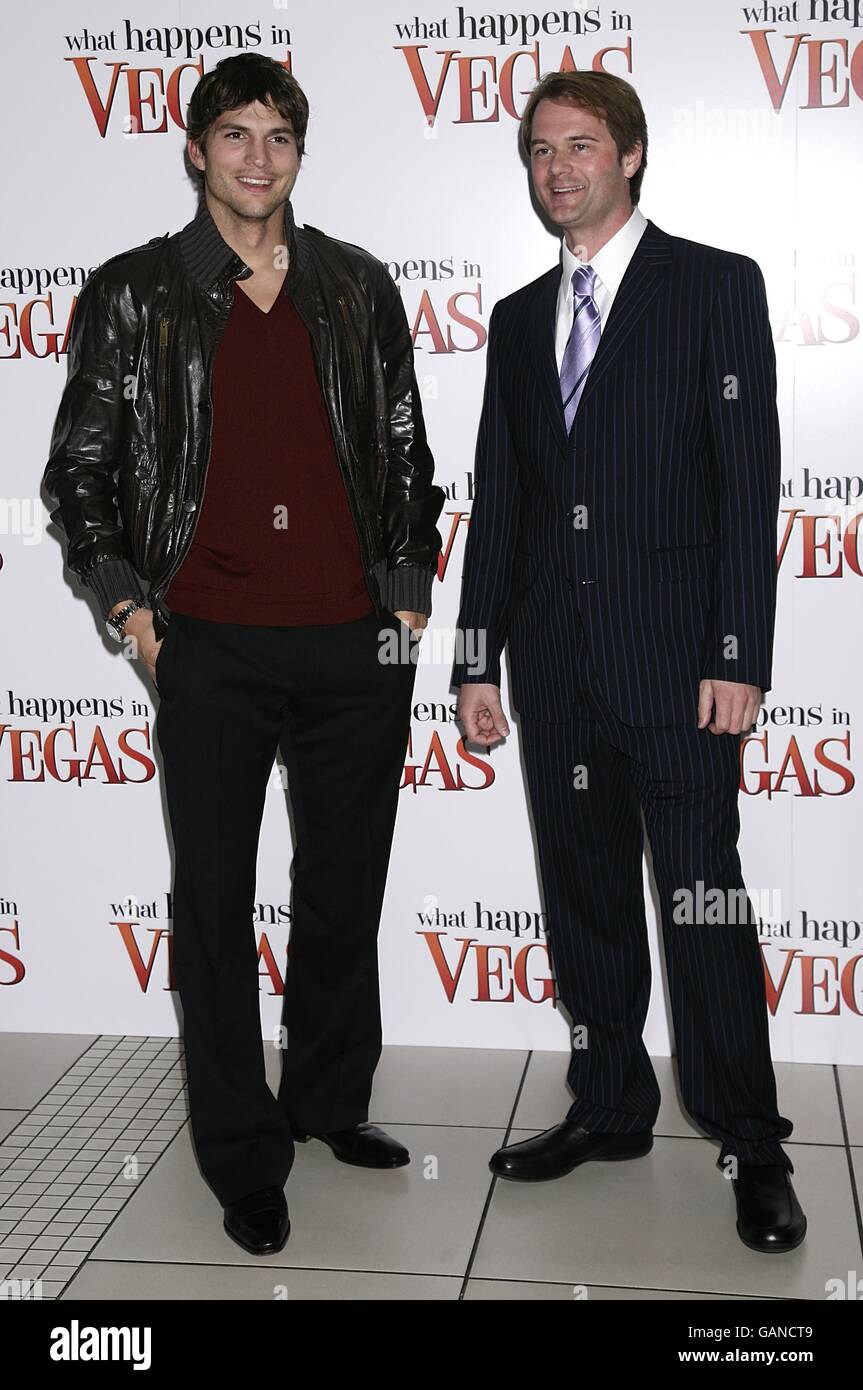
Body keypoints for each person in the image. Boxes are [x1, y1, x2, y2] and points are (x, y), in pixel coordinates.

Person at [43, 53, 444, 1256]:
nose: (257, 157)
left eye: (277, 135)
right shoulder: (135, 293)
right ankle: (241, 1150)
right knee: (214, 903)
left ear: (297, 153)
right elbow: (80, 476)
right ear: (196, 151)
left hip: (353, 641)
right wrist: (134, 616)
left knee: (341, 890)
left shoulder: (356, 287)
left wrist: (409, 599)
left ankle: (326, 1101)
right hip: (207, 644)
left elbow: (407, 450)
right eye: (234, 134)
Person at [450, 70, 805, 1253]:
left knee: (701, 903)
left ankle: (751, 1139)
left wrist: (735, 650)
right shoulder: (512, 320)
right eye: (541, 150)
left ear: (632, 155)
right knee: (585, 896)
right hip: (555, 672)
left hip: (678, 671)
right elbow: (496, 499)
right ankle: (606, 1104)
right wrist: (473, 659)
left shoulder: (711, 286)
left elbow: (744, 476)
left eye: (582, 146)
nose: (558, 168)